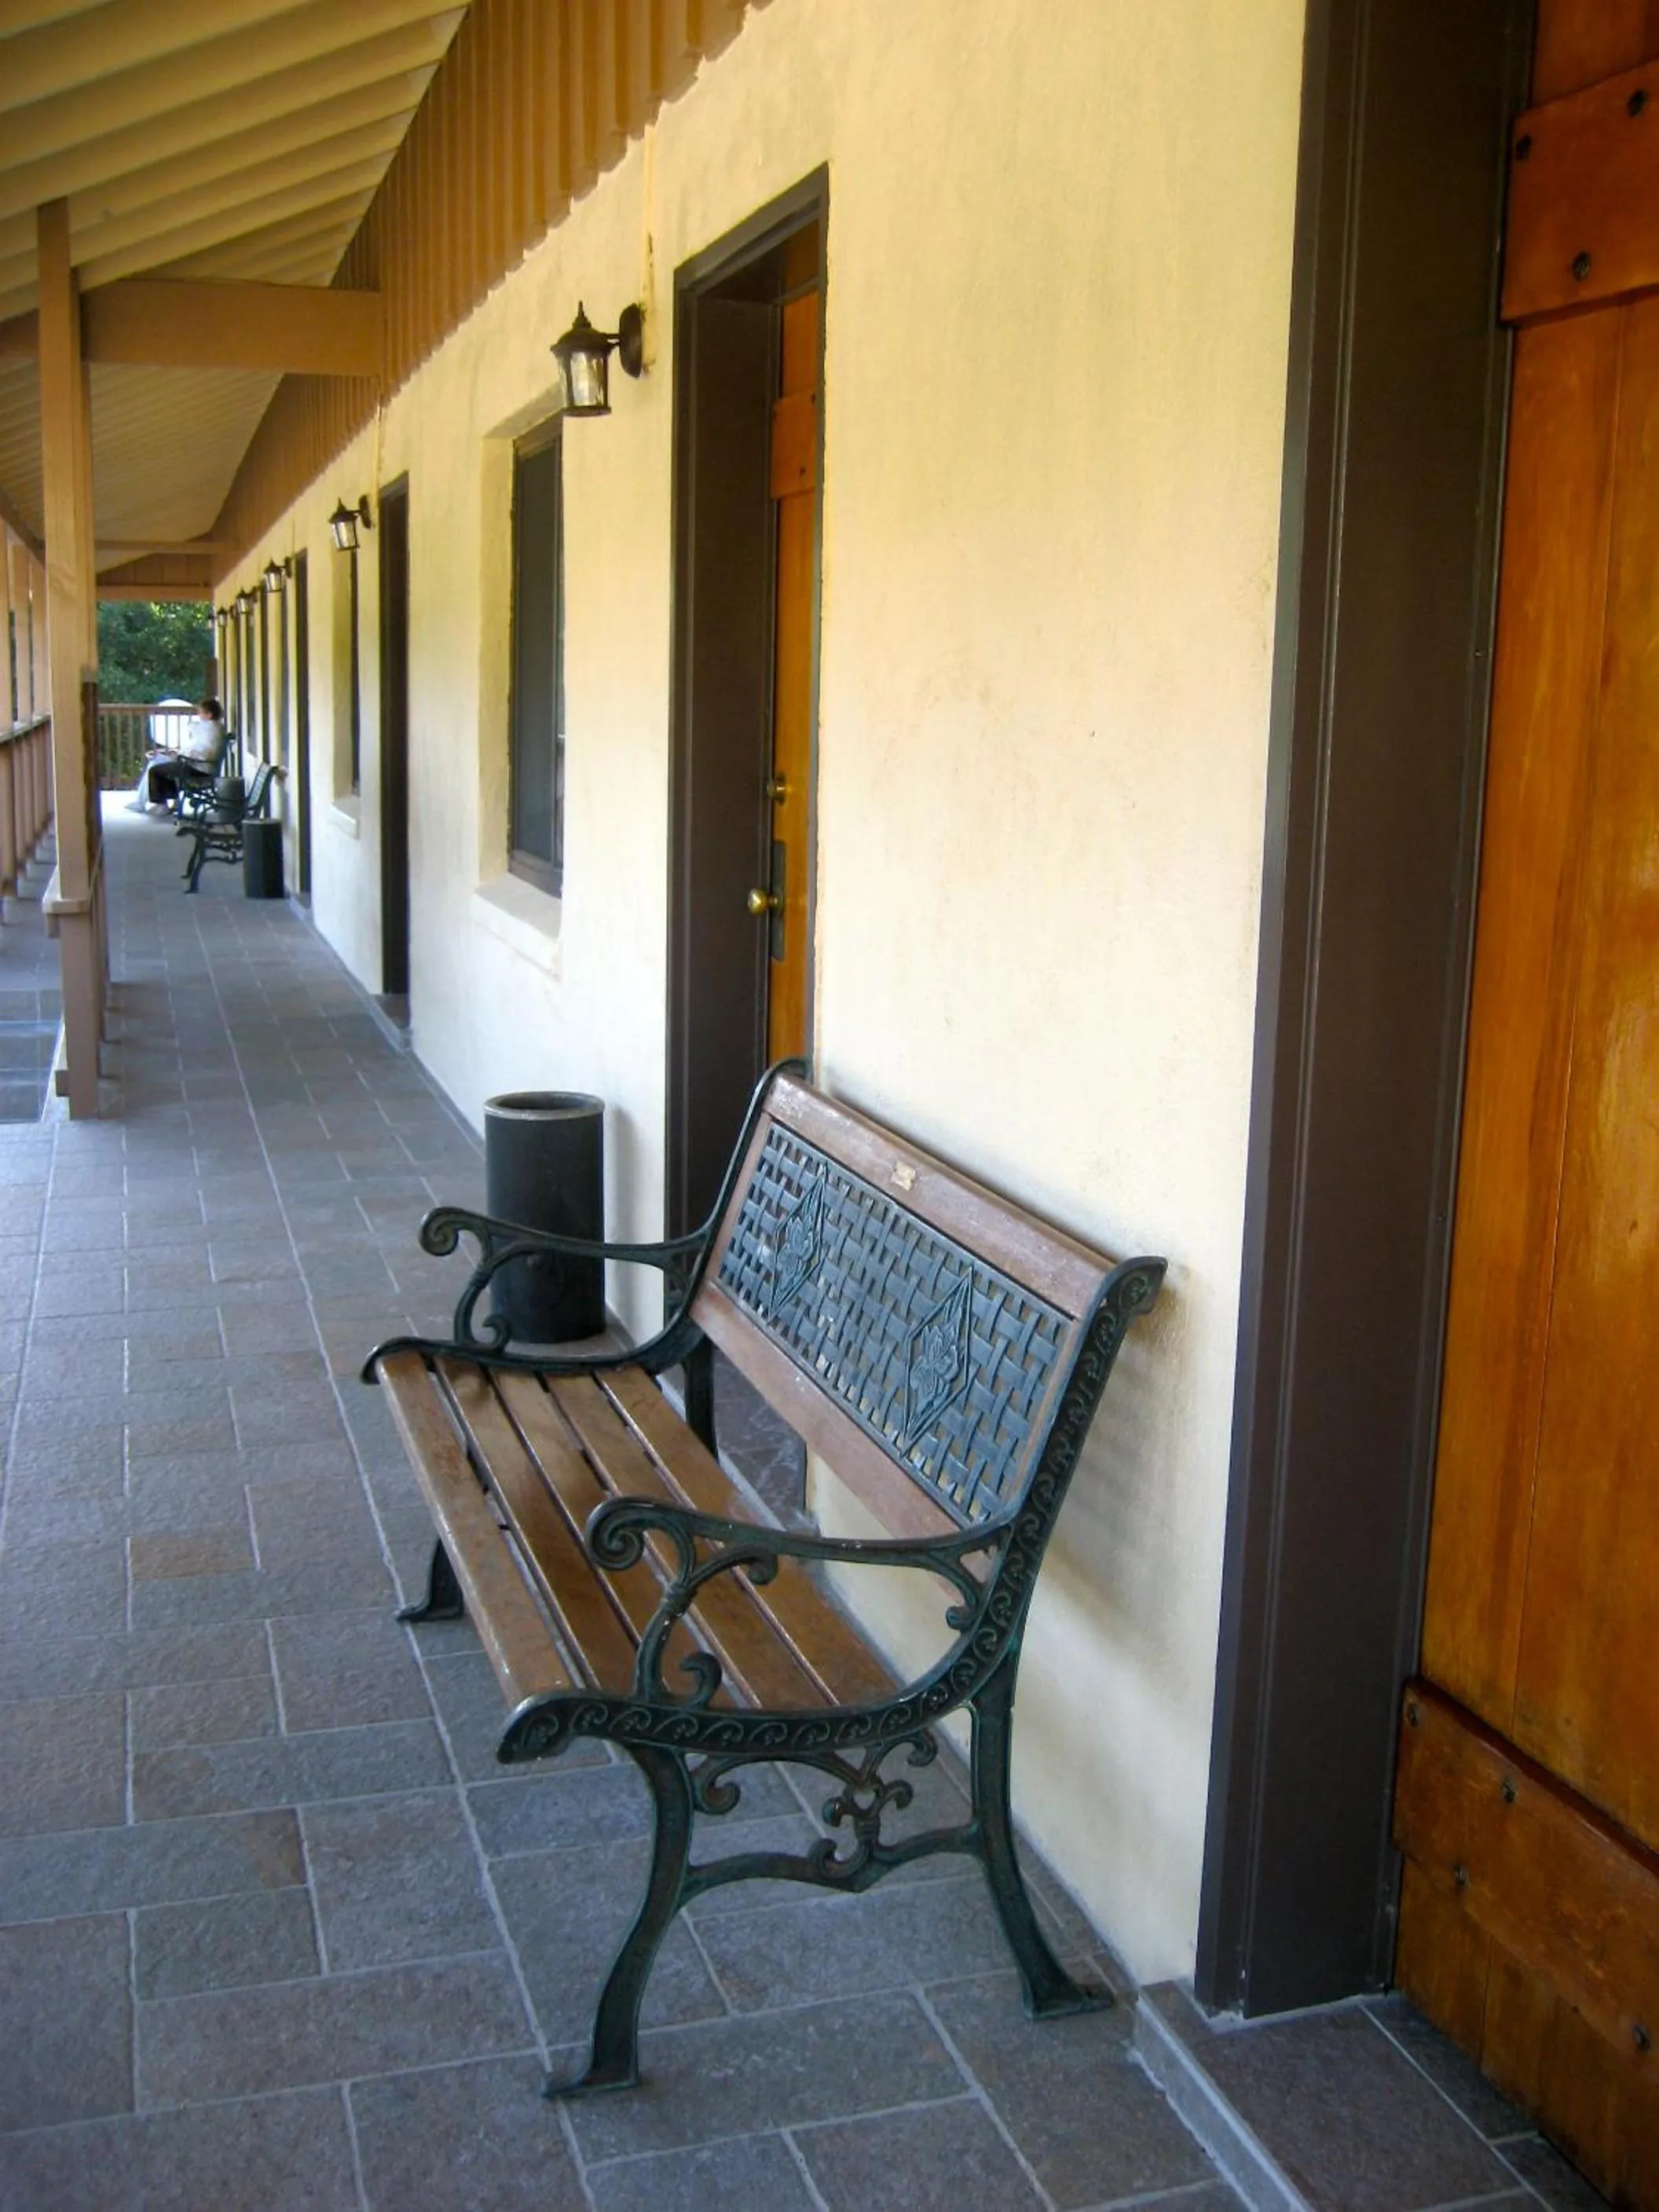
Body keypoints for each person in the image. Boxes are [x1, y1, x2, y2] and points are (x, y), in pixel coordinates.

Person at [128, 698, 226, 815]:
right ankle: (169, 801)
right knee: (160, 763)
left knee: (156, 770)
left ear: (209, 715)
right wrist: (178, 752)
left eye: (201, 712)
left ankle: (160, 804)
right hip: (197, 764)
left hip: (200, 768)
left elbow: (206, 753)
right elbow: (198, 748)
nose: (199, 715)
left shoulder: (210, 730)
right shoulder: (212, 728)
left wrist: (181, 754)